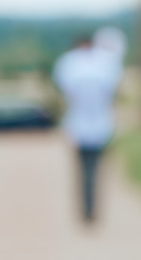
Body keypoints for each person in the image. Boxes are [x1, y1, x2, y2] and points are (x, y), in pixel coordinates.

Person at [51, 30, 123, 223]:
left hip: (90, 126)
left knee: (89, 171)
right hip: (88, 126)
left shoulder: (71, 64)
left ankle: (88, 208)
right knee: (88, 171)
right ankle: (88, 208)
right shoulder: (101, 65)